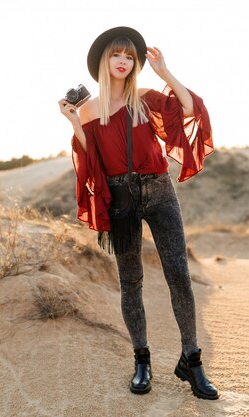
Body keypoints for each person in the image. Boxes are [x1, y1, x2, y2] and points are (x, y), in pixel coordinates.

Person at [58, 26, 218, 400]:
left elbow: (192, 111)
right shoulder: (89, 109)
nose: (123, 61)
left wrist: (165, 74)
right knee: (131, 282)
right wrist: (71, 121)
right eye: (117, 54)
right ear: (104, 60)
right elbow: (89, 159)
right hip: (120, 199)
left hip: (160, 192)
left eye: (130, 56)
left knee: (179, 274)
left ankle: (192, 360)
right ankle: (141, 361)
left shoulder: (145, 99)